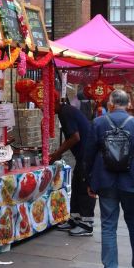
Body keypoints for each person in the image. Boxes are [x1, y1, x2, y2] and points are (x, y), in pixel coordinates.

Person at [84, 90, 134, 268]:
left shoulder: (98, 123)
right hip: (131, 181)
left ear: (111, 103)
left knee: (108, 225)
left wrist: (89, 181)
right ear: (128, 104)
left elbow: (88, 155)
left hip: (105, 180)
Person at [51, 97, 95, 236]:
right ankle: (75, 218)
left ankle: (87, 224)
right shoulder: (66, 111)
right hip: (82, 156)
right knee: (76, 185)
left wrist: (58, 153)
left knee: (84, 187)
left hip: (87, 156)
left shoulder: (66, 113)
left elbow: (75, 137)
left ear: (55, 102)